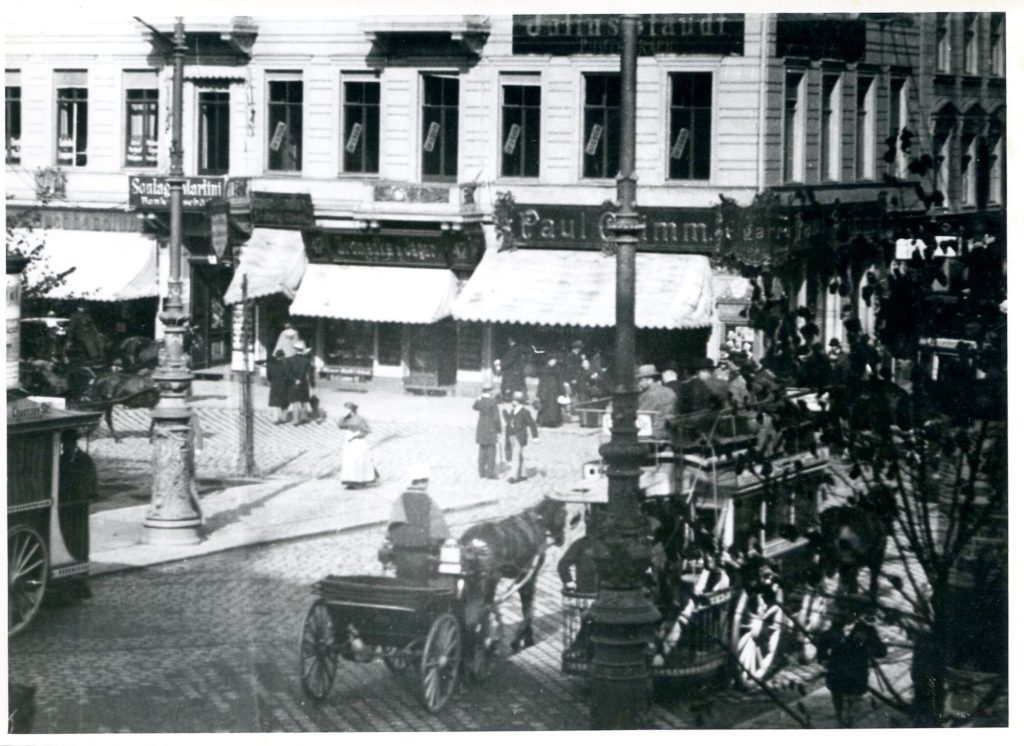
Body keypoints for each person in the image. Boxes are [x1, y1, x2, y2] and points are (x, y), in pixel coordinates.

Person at [816, 603, 888, 727]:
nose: (844, 615)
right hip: (837, 676)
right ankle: (840, 720)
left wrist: (867, 646)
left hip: (856, 676)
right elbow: (821, 649)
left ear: (856, 614)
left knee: (853, 713)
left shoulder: (867, 630)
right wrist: (824, 660)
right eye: (842, 611)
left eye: (849, 612)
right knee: (839, 707)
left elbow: (881, 652)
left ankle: (849, 723)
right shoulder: (833, 629)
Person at [378, 467, 449, 586]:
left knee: (402, 579)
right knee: (420, 581)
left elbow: (392, 525)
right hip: (421, 551)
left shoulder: (400, 499)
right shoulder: (429, 501)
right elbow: (439, 530)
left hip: (400, 551)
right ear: (425, 482)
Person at [58, 428, 98, 599]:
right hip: (64, 508)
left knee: (78, 543)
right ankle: (66, 584)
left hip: (77, 509)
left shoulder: (84, 460)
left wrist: (79, 496)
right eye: (64, 443)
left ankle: (79, 585)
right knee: (66, 542)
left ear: (73, 442)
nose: (65, 446)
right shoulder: (61, 459)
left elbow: (89, 485)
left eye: (67, 443)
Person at [338, 402, 378, 488]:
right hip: (349, 443)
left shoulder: (359, 419)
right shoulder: (346, 419)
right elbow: (340, 425)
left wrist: (356, 435)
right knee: (349, 462)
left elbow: (366, 430)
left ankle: (361, 481)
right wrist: (344, 417)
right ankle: (351, 481)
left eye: (347, 409)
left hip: (358, 442)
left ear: (352, 410)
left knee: (358, 461)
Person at [503, 391, 539, 483]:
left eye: (513, 400)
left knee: (515, 455)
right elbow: (511, 422)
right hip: (512, 435)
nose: (512, 401)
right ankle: (523, 474)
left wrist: (535, 437)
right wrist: (506, 417)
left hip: (520, 436)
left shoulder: (524, 412)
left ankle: (513, 476)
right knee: (519, 455)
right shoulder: (512, 411)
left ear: (518, 401)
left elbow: (532, 424)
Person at [636, 364, 676, 441]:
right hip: (669, 431)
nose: (639, 383)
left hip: (652, 433)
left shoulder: (648, 395)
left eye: (641, 380)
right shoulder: (670, 391)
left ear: (649, 379)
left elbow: (642, 414)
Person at [473, 383, 503, 479]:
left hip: (481, 428)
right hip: (491, 428)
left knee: (482, 450)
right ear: (490, 391)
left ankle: (481, 472)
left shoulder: (480, 401)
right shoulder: (493, 402)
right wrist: (499, 429)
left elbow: (474, 407)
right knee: (491, 451)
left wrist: (478, 398)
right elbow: (496, 418)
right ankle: (490, 473)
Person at [284, 340, 315, 425]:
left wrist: (294, 380)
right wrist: (312, 384)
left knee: (295, 401)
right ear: (302, 350)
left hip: (293, 383)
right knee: (304, 400)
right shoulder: (306, 361)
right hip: (304, 382)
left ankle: (296, 419)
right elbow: (310, 374)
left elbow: (287, 373)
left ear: (295, 349)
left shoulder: (289, 360)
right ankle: (304, 417)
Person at [536, 355, 566, 428]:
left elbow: (560, 381)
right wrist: (539, 392)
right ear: (548, 361)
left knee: (554, 407)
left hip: (555, 391)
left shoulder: (557, 369)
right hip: (546, 391)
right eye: (552, 360)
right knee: (545, 406)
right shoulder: (544, 369)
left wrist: (562, 391)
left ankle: (553, 422)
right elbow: (541, 381)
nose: (554, 362)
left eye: (554, 360)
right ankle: (543, 422)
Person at [498, 337, 527, 402]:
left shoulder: (513, 349)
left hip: (512, 370)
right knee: (517, 384)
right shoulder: (516, 348)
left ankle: (509, 398)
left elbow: (509, 361)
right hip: (517, 370)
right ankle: (516, 398)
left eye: (510, 340)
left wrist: (501, 365)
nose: (509, 341)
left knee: (510, 385)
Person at [267, 349, 290, 424]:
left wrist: (272, 381)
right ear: (282, 356)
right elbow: (287, 376)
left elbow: (269, 376)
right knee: (284, 401)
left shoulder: (271, 366)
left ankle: (275, 419)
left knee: (275, 402)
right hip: (283, 385)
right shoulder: (285, 366)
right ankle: (283, 417)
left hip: (274, 385)